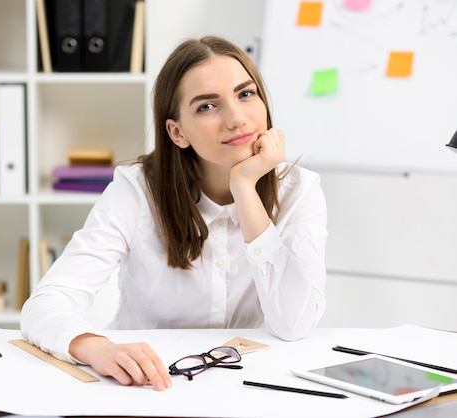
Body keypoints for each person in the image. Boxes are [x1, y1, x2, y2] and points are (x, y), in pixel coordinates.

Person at [21, 35, 327, 392]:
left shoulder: (300, 190)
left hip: (245, 387)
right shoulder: (136, 190)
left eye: (245, 94)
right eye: (207, 107)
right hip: (146, 387)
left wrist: (245, 188)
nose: (237, 119)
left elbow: (295, 322)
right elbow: (45, 304)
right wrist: (96, 347)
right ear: (177, 132)